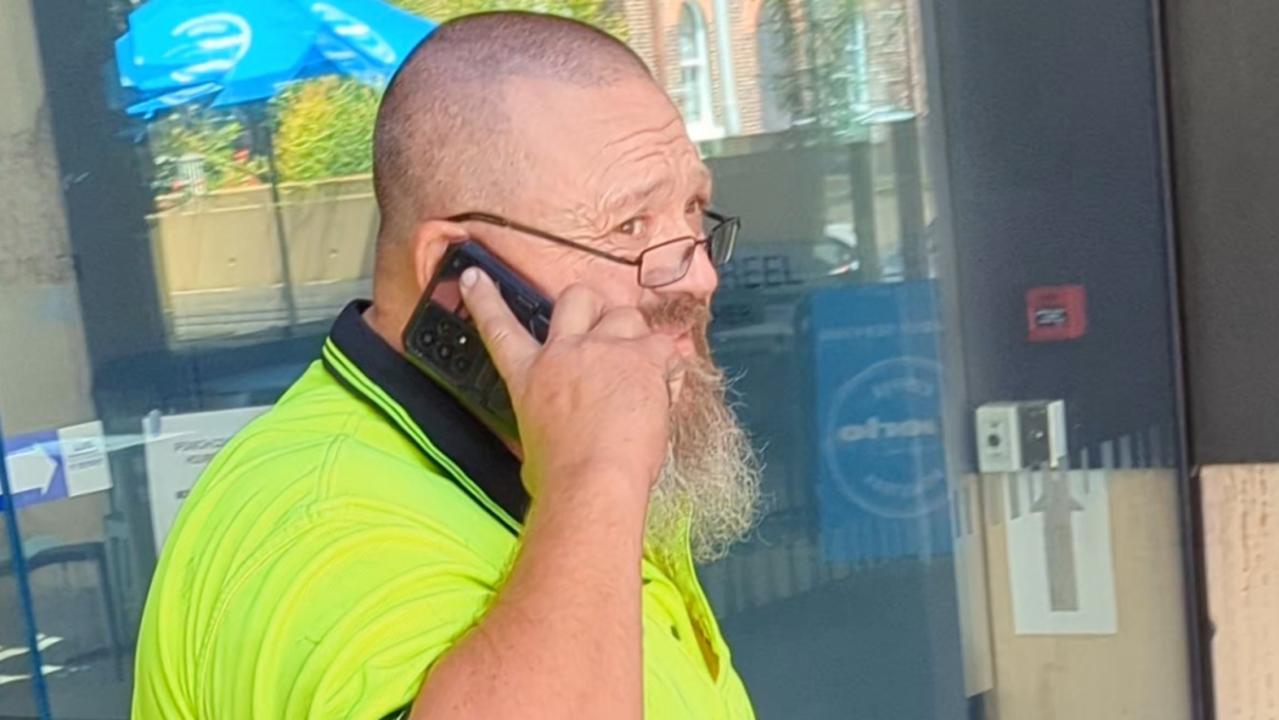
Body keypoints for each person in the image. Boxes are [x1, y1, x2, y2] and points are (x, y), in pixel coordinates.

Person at [133, 11, 762, 719]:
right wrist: (599, 479)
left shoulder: (576, 438)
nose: (698, 278)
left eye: (693, 210)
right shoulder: (322, 529)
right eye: (630, 226)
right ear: (464, 277)